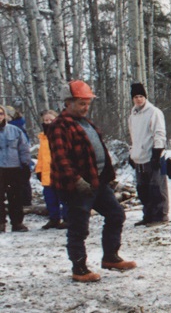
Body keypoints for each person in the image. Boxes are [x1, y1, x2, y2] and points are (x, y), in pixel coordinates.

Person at [46, 80, 137, 282]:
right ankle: (79, 268)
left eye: (87, 103)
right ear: (68, 102)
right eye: (81, 103)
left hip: (97, 183)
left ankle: (111, 257)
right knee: (79, 227)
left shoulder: (85, 123)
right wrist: (77, 181)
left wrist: (107, 177)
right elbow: (61, 159)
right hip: (75, 187)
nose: (86, 107)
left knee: (116, 214)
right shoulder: (59, 126)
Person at [127, 82, 169, 226]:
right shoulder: (133, 115)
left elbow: (159, 133)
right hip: (139, 156)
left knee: (156, 187)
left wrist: (157, 153)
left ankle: (160, 215)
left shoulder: (154, 112)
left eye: (141, 96)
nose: (139, 99)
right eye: (136, 97)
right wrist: (132, 152)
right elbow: (134, 136)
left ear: (145, 97)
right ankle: (148, 215)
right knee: (143, 189)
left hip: (153, 155)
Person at [0, 104, 31, 232]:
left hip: (14, 168)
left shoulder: (15, 130)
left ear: (5, 115)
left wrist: (25, 165)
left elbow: (24, 149)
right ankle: (1, 223)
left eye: (1, 113)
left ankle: (17, 223)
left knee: (15, 197)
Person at [36, 109, 67, 229]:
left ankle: (67, 218)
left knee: (64, 198)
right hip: (47, 174)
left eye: (51, 120)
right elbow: (41, 157)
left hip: (60, 172)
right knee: (50, 198)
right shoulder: (43, 137)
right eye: (45, 120)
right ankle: (54, 219)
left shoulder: (62, 134)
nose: (48, 122)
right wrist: (38, 170)